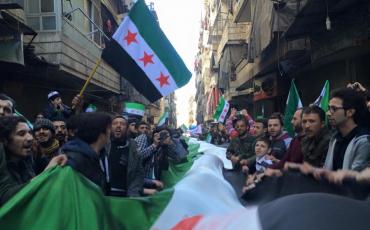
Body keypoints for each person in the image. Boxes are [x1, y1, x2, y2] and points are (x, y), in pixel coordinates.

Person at [0, 116, 67, 205]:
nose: (30, 138)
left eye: (29, 133)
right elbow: (5, 197)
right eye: (21, 134)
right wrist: (46, 172)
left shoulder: (26, 160)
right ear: (5, 140)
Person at [61, 112, 112, 194]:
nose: (111, 132)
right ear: (100, 133)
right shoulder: (72, 161)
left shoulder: (98, 156)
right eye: (108, 128)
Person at [324, 88, 370, 171]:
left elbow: (356, 177)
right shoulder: (335, 138)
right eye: (329, 108)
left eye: (334, 109)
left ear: (350, 112)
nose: (328, 113)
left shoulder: (364, 141)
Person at [107, 115, 144, 197]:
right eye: (115, 123)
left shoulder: (134, 148)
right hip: (104, 196)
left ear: (127, 129)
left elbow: (138, 174)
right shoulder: (103, 145)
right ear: (110, 128)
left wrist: (134, 194)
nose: (118, 126)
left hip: (125, 198)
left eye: (122, 124)